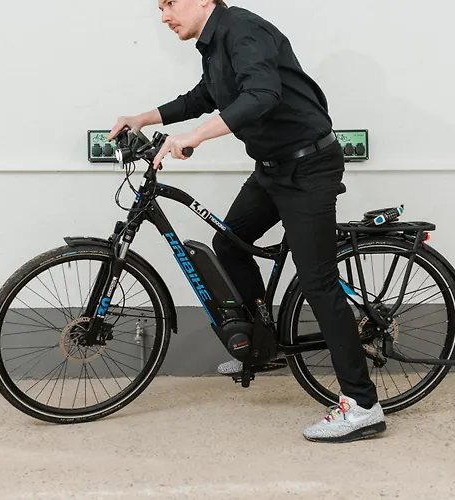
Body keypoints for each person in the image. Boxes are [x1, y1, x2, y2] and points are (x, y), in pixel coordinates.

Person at [107, 0, 385, 443]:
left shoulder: (243, 30)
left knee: (317, 282)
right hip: (272, 168)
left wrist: (195, 137)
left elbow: (261, 95)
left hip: (308, 167)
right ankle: (262, 346)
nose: (164, 16)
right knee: (229, 242)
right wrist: (144, 117)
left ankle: (363, 405)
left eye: (170, 3)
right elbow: (205, 96)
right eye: (159, 7)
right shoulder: (214, 42)